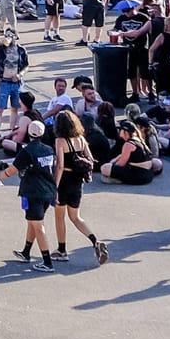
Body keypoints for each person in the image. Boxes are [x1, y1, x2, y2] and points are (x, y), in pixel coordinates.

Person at [0, 118, 59, 271]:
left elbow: (12, 171)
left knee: (38, 225)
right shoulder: (49, 149)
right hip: (48, 191)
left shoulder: (27, 151)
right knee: (33, 221)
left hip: (33, 191)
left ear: (29, 133)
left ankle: (47, 261)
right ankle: (26, 252)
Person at [49, 109, 109, 264]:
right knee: (75, 217)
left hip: (64, 181)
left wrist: (54, 187)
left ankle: (62, 250)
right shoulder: (81, 139)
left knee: (59, 217)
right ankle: (95, 241)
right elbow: (90, 158)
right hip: (77, 180)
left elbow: (60, 166)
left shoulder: (60, 141)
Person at [0, 28, 29, 142]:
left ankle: (12, 131)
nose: (9, 37)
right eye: (7, 35)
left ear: (16, 36)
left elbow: (26, 66)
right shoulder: (2, 49)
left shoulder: (21, 50)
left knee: (15, 108)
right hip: (4, 81)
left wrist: (20, 74)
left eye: (11, 35)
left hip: (16, 83)